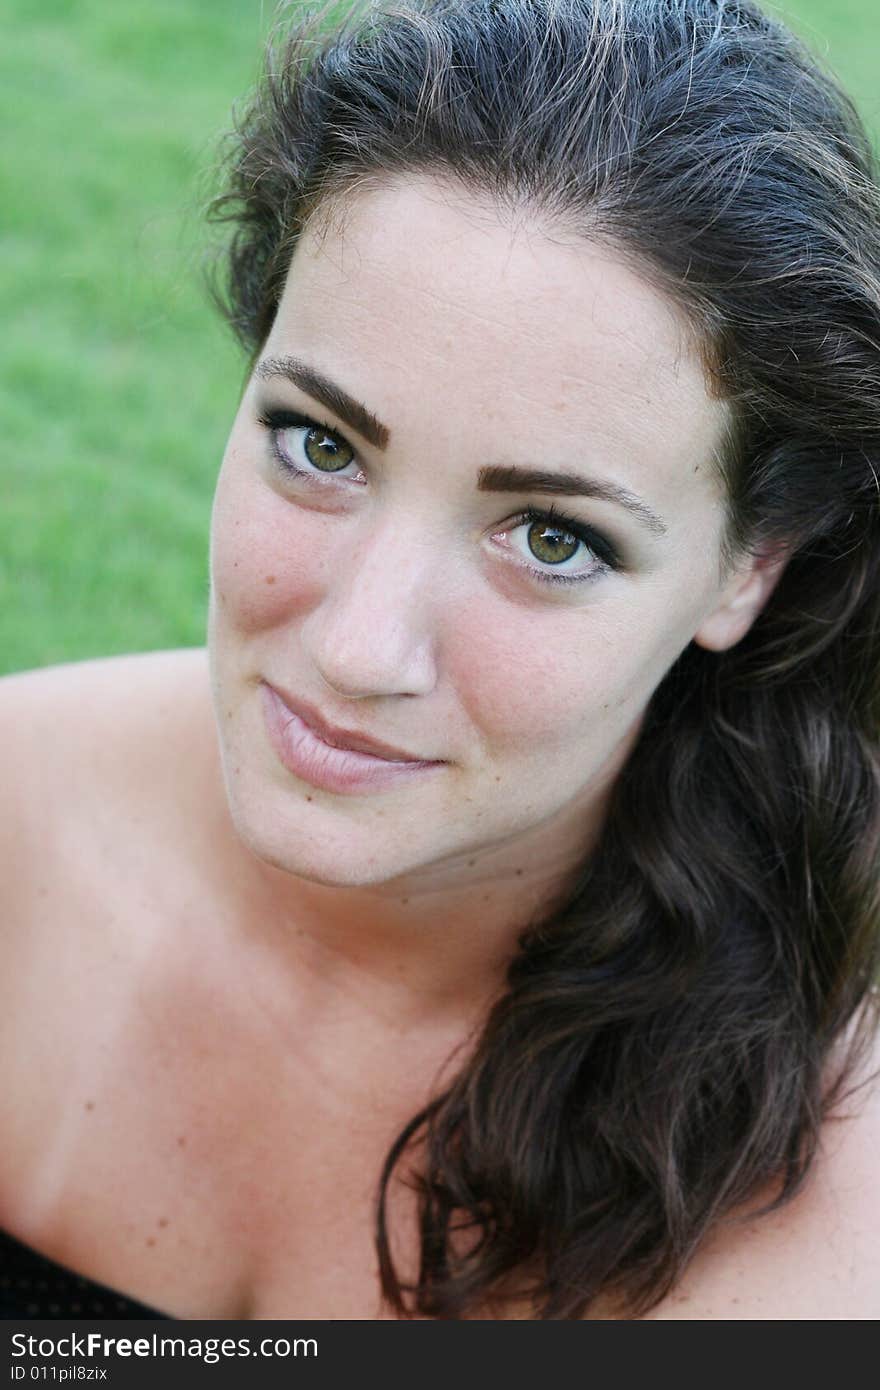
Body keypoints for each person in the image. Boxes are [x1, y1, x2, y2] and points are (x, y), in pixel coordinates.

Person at [1, 0, 879, 1321]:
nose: (359, 649)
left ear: (749, 567)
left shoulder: (825, 1211)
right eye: (321, 446)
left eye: (550, 536)